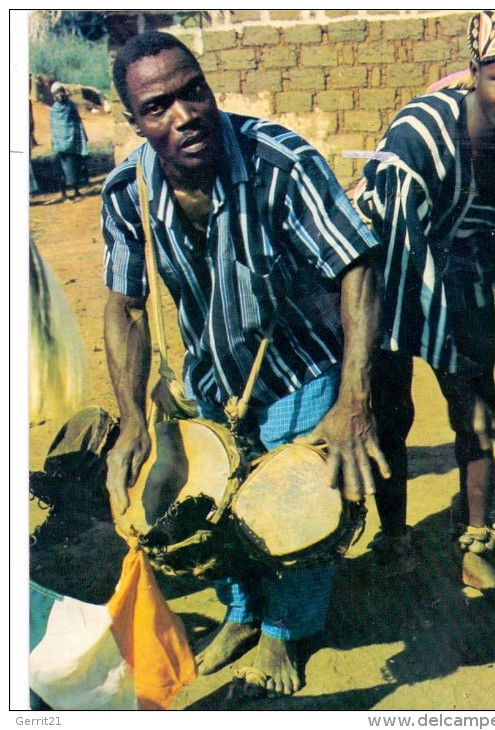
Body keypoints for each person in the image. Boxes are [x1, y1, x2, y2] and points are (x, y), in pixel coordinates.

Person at [101, 30, 388, 699]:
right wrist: (132, 421)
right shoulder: (125, 194)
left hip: (301, 368)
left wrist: (352, 400)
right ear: (135, 121)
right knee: (205, 510)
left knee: (298, 513)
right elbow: (125, 308)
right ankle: (240, 613)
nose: (183, 114)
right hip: (207, 381)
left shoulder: (279, 161)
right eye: (158, 106)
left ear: (206, 85)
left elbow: (356, 267)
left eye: (192, 90)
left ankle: (284, 634)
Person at [352, 10, 495, 588]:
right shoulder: (421, 134)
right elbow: (403, 262)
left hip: (460, 266)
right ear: (475, 72)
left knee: (480, 417)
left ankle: (474, 544)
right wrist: (455, 369)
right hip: (382, 273)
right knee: (392, 414)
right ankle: (396, 535)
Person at [49, 82, 89, 203]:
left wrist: (80, 137)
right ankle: (64, 194)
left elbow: (77, 122)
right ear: (53, 95)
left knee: (75, 166)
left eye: (61, 91)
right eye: (57, 92)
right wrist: (56, 142)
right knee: (62, 169)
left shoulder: (71, 106)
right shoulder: (53, 110)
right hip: (60, 144)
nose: (59, 94)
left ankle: (76, 192)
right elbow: (54, 128)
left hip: (73, 141)